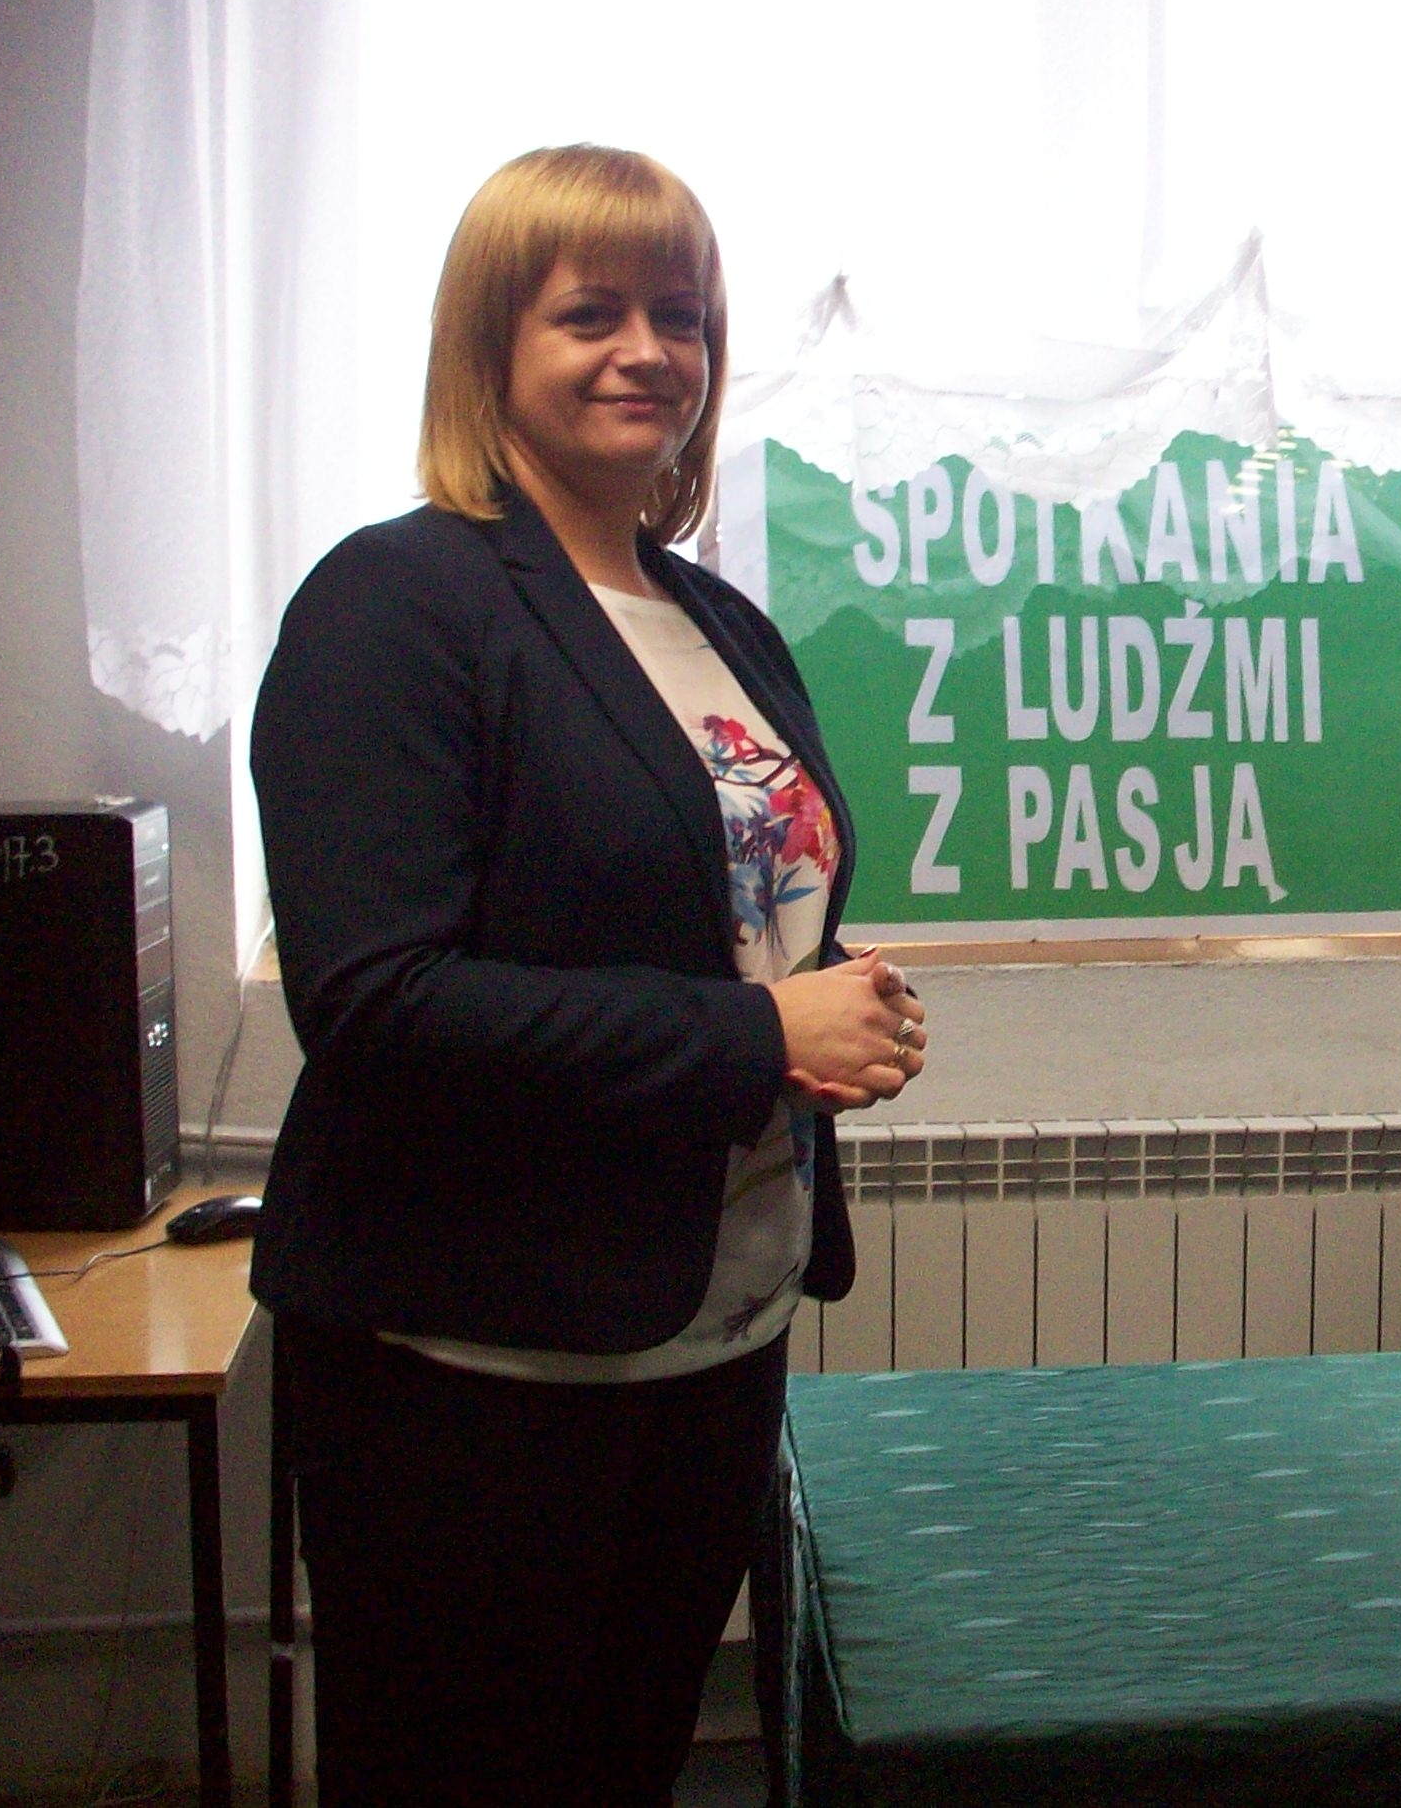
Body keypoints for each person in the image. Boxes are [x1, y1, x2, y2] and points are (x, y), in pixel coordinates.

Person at [247, 144, 928, 1804]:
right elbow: (377, 1001)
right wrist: (758, 1029)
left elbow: (701, 907)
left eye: (680, 317)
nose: (648, 351)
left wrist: (835, 999)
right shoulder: (395, 603)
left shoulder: (713, 619)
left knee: (626, 1768)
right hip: (478, 1368)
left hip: (709, 1331)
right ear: (491, 344)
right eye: (591, 313)